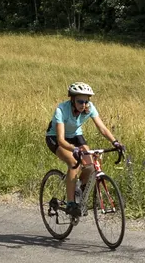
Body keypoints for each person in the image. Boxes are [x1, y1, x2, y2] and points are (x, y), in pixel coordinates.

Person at [46, 82, 122, 216]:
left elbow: (102, 128)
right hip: (56, 138)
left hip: (76, 136)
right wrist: (73, 149)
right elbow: (61, 140)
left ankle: (78, 190)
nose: (83, 105)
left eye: (86, 101)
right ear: (72, 100)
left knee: (91, 165)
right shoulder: (61, 110)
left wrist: (115, 142)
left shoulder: (89, 108)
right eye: (80, 101)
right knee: (73, 163)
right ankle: (70, 203)